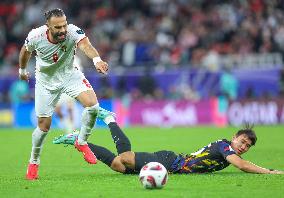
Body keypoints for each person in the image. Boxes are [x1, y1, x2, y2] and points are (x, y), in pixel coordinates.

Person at [19, 8, 109, 180]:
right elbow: (25, 51)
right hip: (46, 82)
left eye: (64, 25)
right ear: (48, 27)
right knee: (43, 126)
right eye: (57, 27)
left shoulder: (73, 32)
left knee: (93, 105)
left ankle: (81, 142)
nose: (62, 30)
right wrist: (22, 70)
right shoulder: (35, 36)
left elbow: (86, 45)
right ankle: (34, 161)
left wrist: (97, 60)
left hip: (70, 75)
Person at [54, 109, 284, 175]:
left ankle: (78, 139)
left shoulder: (230, 150)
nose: (243, 147)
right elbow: (242, 166)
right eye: (242, 141)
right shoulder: (224, 146)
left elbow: (244, 168)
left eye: (247, 146)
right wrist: (271, 172)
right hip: (169, 161)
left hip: (172, 169)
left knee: (118, 165)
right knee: (125, 158)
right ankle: (111, 119)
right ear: (234, 137)